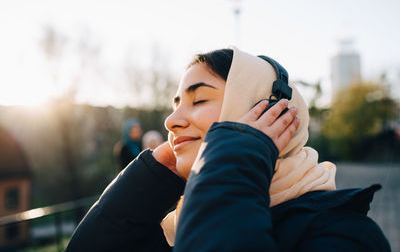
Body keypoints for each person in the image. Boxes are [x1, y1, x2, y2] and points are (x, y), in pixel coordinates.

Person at [66, 47, 390, 251]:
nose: (171, 120)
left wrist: (231, 157)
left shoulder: (346, 235)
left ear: (268, 111)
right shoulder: (172, 227)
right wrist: (146, 182)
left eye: (200, 99)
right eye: (176, 104)